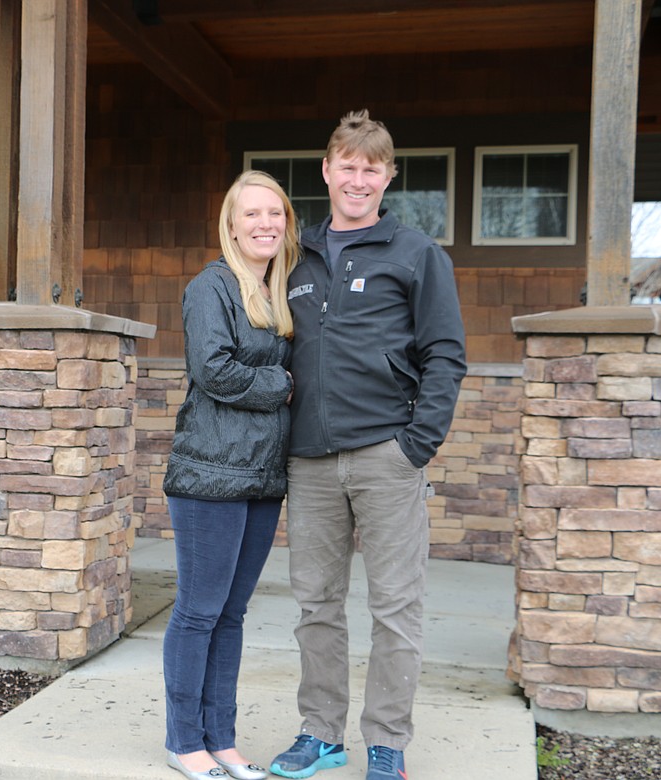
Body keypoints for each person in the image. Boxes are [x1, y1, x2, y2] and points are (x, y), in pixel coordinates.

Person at [268, 110, 467, 780]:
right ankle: (321, 735)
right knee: (316, 607)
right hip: (310, 463)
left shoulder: (416, 254)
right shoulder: (295, 257)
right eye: (347, 165)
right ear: (327, 170)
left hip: (387, 457)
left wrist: (418, 445)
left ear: (388, 176)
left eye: (371, 167)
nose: (358, 178)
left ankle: (386, 742)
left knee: (396, 610)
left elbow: (445, 354)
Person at [162, 169, 299, 780]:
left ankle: (222, 739)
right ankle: (183, 741)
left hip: (263, 478)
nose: (265, 223)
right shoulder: (210, 287)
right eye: (253, 214)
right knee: (198, 610)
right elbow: (214, 371)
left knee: (233, 614)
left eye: (276, 213)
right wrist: (285, 385)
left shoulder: (280, 292)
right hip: (211, 474)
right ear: (232, 224)